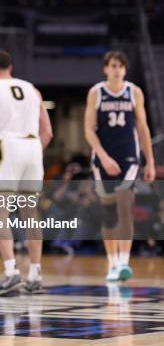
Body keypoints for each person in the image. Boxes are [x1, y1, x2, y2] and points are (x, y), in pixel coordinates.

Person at [0, 50, 53, 296]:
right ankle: (36, 274)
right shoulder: (33, 90)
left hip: (7, 147)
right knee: (31, 213)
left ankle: (11, 273)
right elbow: (48, 132)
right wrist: (33, 152)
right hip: (33, 147)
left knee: (0, 211)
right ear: (11, 67)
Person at [84, 50, 156, 282]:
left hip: (128, 157)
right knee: (108, 212)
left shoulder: (134, 92)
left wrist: (150, 161)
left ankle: (124, 262)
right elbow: (88, 129)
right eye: (112, 65)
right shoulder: (96, 93)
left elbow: (143, 129)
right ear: (105, 68)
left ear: (125, 70)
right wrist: (103, 157)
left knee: (125, 206)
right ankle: (112, 263)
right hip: (103, 157)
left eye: (120, 66)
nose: (116, 69)